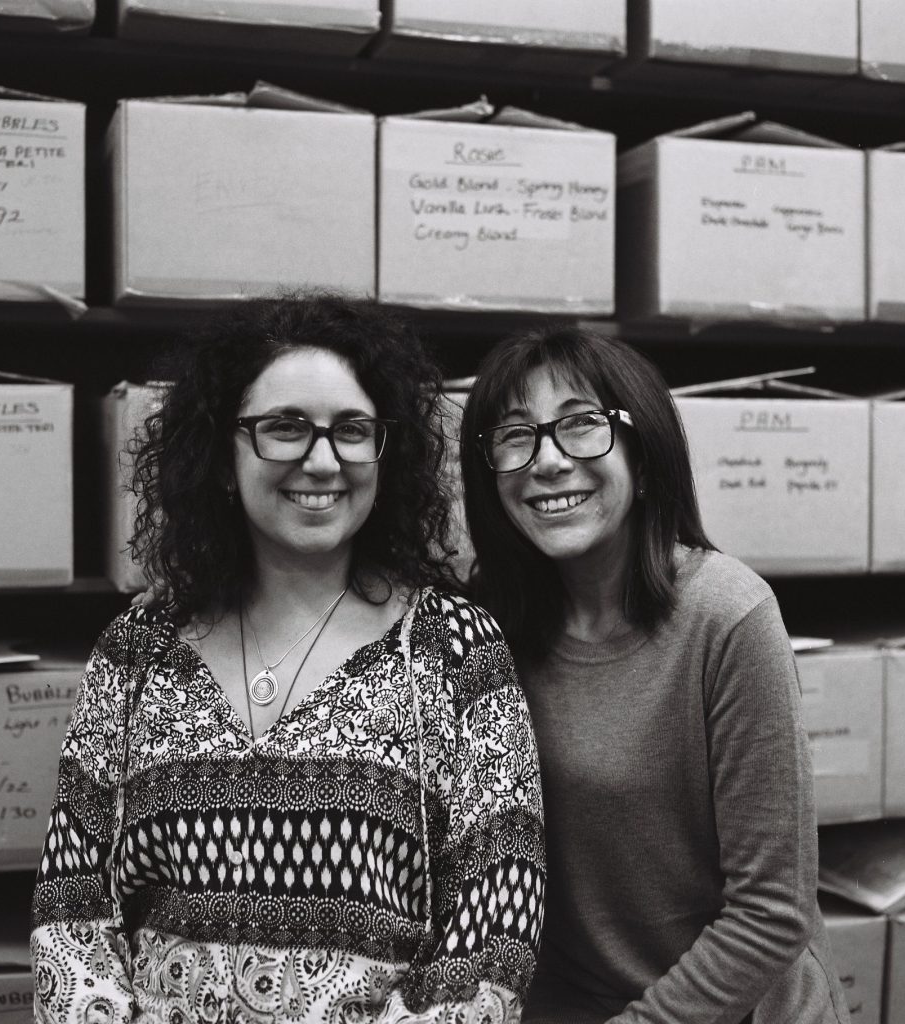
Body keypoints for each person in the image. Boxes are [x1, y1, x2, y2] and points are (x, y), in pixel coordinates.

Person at [30, 294, 546, 1024]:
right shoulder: (138, 648)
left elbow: (495, 929)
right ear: (219, 453)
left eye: (352, 430)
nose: (323, 459)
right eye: (285, 428)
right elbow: (69, 909)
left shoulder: (456, 651)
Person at [457, 323, 849, 1024]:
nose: (547, 461)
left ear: (644, 451)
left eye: (581, 426)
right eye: (515, 436)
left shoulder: (727, 616)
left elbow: (771, 910)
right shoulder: (488, 625)